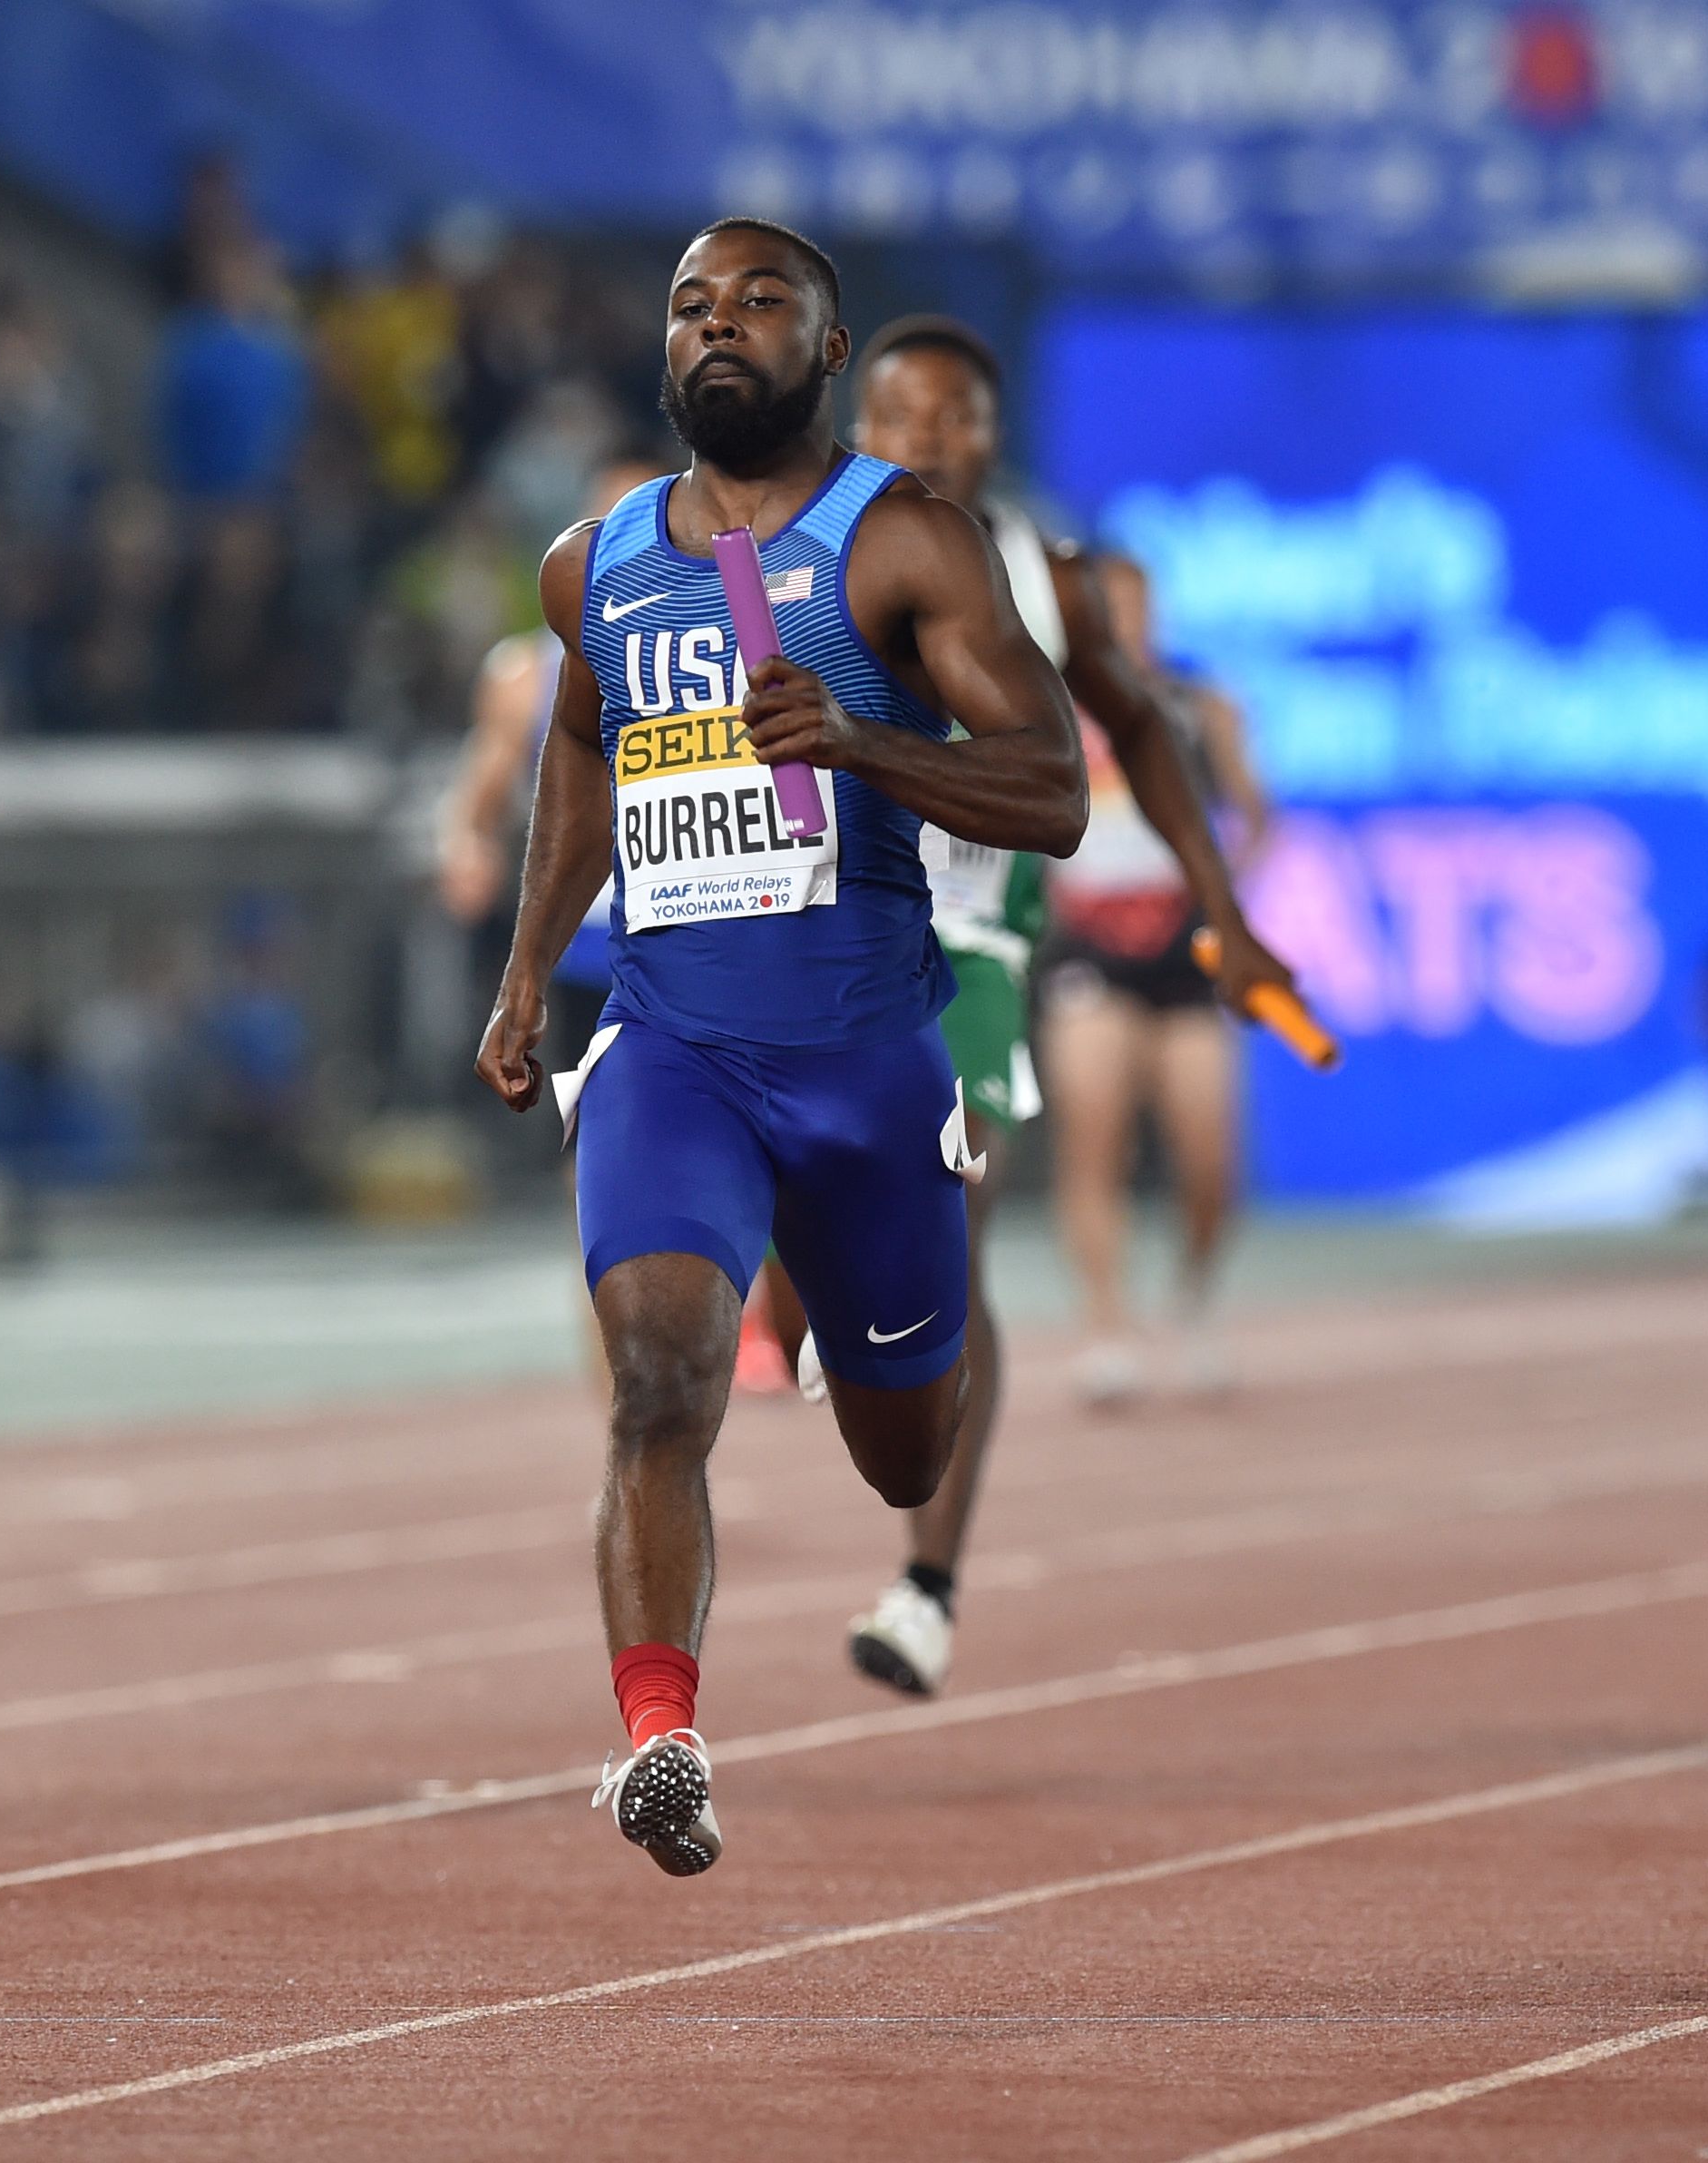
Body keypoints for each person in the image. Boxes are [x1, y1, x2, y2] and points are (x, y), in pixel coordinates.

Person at [473, 221, 1087, 1876]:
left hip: (870, 1053)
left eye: (760, 305)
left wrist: (870, 741)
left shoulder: (907, 545)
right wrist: (531, 973)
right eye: (688, 304)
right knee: (659, 1379)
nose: (717, 326)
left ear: (829, 356)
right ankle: (661, 1736)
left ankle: (872, 1340)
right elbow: (582, 762)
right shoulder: (589, 562)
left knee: (906, 1447)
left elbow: (1056, 792)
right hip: (670, 1042)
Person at [788, 318, 1293, 1694]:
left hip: (969, 941)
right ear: (860, 426)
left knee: (951, 1226)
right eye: (906, 417)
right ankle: (824, 1299)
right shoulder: (781, 563)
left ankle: (928, 1585)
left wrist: (1230, 913)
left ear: (992, 434)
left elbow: (1144, 733)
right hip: (795, 926)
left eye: (961, 417)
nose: (935, 439)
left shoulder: (1049, 578)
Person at [434, 454, 669, 1396]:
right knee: (604, 1182)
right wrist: (464, 844)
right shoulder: (527, 670)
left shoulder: (732, 634)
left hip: (701, 936)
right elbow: (481, 784)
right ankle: (621, 1390)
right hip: (588, 961)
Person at [1035, 550, 1276, 1408]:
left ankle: (1193, 1298)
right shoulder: (1046, 703)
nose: (1122, 621)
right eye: (1105, 607)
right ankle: (1106, 1327)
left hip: (1182, 952)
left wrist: (1218, 896)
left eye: (1134, 606)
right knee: (1094, 1142)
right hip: (1089, 950)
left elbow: (1255, 814)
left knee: (1211, 1156)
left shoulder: (1198, 707)